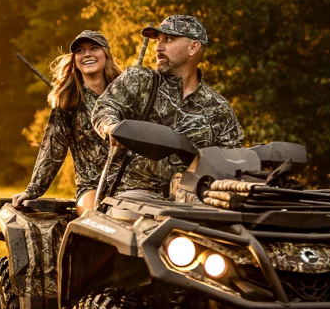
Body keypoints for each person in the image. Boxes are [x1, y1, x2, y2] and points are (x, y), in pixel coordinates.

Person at [92, 15, 244, 198]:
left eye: (169, 39)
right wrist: (111, 128)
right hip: (133, 196)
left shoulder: (219, 108)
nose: (158, 47)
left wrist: (194, 177)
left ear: (193, 47)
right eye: (158, 40)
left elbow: (232, 163)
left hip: (193, 200)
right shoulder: (140, 80)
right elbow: (104, 108)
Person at [12, 30, 123, 215]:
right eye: (80, 50)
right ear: (75, 60)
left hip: (132, 187)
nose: (87, 54)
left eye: (94, 48)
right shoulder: (68, 102)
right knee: (95, 217)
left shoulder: (127, 94)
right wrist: (32, 190)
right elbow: (52, 150)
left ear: (106, 54)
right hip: (92, 188)